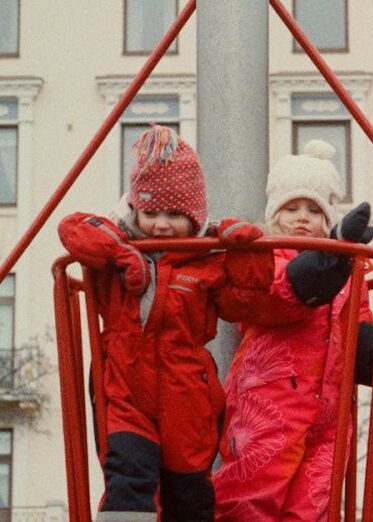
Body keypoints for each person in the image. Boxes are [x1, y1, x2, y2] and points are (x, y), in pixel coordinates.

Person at [57, 125, 274, 522]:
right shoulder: (118, 244)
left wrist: (248, 251)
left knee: (189, 496)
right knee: (128, 480)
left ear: (194, 217)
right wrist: (123, 255)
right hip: (126, 392)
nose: (160, 225)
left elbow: (244, 302)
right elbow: (72, 228)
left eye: (175, 214)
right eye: (151, 212)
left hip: (186, 395)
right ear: (134, 210)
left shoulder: (205, 261)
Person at [213, 140, 373, 521]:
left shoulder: (346, 274)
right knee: (251, 496)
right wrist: (330, 257)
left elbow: (355, 326)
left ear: (327, 219)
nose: (301, 218)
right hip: (269, 404)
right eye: (290, 208)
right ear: (273, 216)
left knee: (313, 505)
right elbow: (276, 300)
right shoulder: (264, 257)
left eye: (313, 210)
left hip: (329, 414)